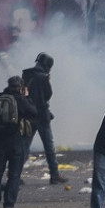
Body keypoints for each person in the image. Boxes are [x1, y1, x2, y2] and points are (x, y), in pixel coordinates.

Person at [0, 76, 38, 208]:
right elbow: (34, 112)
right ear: (20, 87)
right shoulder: (20, 100)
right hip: (15, 142)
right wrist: (26, 97)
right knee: (14, 175)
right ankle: (9, 206)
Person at [22, 52, 66, 184]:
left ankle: (14, 176)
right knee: (49, 147)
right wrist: (47, 80)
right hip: (41, 116)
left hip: (28, 116)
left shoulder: (26, 74)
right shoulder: (42, 77)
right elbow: (48, 95)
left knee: (24, 147)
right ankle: (54, 175)